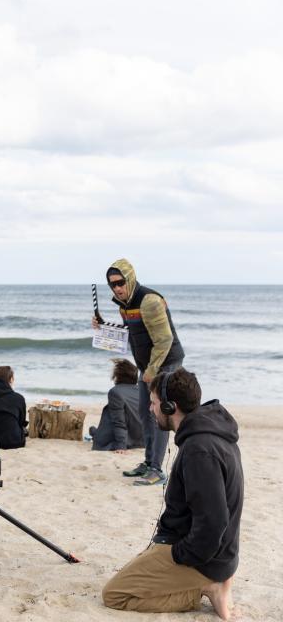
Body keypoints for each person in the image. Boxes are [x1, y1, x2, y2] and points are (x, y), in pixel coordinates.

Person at [102, 367, 243, 620]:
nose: (150, 408)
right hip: (214, 552)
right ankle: (208, 582)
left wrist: (180, 555)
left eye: (154, 403)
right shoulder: (210, 434)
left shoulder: (200, 450)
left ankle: (204, 588)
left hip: (203, 558)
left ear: (170, 407)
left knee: (114, 595)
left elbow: (213, 522)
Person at [92, 258, 184, 485]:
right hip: (147, 365)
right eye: (112, 285)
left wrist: (152, 371)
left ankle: (157, 469)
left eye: (120, 282)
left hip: (165, 363)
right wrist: (103, 325)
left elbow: (164, 339)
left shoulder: (149, 300)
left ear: (130, 278)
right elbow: (135, 329)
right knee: (145, 414)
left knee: (158, 416)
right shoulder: (126, 304)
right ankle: (148, 461)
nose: (117, 288)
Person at [90, 358, 143, 452]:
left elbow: (119, 421)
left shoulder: (115, 392)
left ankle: (96, 433)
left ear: (118, 376)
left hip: (127, 440)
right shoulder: (141, 391)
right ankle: (96, 432)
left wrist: (121, 446)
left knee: (109, 413)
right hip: (142, 440)